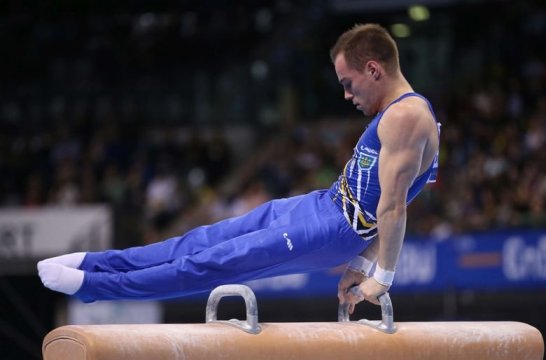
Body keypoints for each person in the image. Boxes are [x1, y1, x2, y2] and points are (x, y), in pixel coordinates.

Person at [38, 23, 441, 312]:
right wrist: (361, 264)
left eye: (349, 82)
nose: (346, 94)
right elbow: (388, 205)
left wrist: (381, 276)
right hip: (320, 204)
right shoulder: (400, 117)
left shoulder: (405, 118)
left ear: (374, 69)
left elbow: (392, 208)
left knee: (213, 263)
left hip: (330, 229)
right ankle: (96, 263)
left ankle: (96, 287)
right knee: (200, 240)